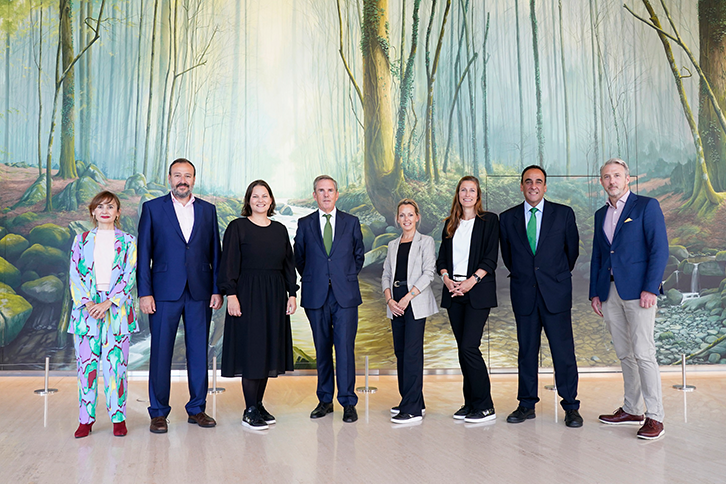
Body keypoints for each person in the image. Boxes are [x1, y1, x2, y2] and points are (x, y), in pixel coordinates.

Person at [137, 158, 222, 433]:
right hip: (163, 293)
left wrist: (217, 289)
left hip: (199, 292)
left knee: (199, 352)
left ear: (194, 180)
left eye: (187, 175)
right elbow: (143, 256)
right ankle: (158, 412)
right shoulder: (152, 209)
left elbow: (215, 253)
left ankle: (197, 408)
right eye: (177, 175)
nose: (182, 180)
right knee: (161, 353)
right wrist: (145, 292)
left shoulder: (208, 210)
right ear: (169, 178)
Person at [590, 158, 669, 440]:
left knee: (644, 353)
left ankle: (655, 416)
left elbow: (659, 249)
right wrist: (595, 293)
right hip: (610, 292)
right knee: (625, 353)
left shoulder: (647, 206)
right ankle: (632, 408)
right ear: (601, 181)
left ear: (628, 178)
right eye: (606, 177)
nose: (611, 181)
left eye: (617, 176)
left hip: (639, 293)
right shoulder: (601, 214)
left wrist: (651, 287)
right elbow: (599, 256)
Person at [499, 165, 583, 428]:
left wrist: (552, 277)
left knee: (563, 352)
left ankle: (570, 406)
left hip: (555, 293)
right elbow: (508, 257)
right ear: (521, 186)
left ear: (545, 186)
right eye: (528, 181)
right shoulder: (507, 217)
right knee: (526, 352)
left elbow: (572, 253)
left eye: (538, 181)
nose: (533, 186)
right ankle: (526, 404)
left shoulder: (563, 214)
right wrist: (530, 277)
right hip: (524, 292)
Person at [218, 180, 298, 431]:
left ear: (271, 201)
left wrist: (292, 294)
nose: (260, 200)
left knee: (266, 350)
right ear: (248, 201)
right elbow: (228, 263)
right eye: (255, 196)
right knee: (252, 351)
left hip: (274, 294)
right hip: (247, 293)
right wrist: (231, 295)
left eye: (265, 196)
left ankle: (259, 404)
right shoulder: (237, 227)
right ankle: (249, 409)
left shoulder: (280, 229)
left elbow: (288, 264)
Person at [294, 175, 365, 423]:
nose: (326, 195)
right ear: (314, 195)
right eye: (321, 191)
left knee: (345, 349)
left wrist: (341, 278)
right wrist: (319, 278)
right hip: (316, 296)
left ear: (337, 194)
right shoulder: (304, 224)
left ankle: (347, 402)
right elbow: (299, 259)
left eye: (330, 190)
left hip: (345, 296)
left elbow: (358, 256)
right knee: (322, 349)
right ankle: (325, 400)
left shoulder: (351, 222)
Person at [68, 190, 138, 438]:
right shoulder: (81, 240)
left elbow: (129, 277)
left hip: (116, 311)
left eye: (110, 206)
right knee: (86, 368)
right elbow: (75, 275)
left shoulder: (129, 241)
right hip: (86, 312)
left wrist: (109, 302)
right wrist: (88, 303)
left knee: (116, 367)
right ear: (93, 212)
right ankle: (85, 419)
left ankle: (118, 417)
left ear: (118, 212)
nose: (105, 210)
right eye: (100, 207)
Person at [436, 176, 499, 423]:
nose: (467, 194)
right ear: (458, 194)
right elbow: (441, 259)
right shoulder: (450, 224)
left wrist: (472, 281)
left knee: (469, 347)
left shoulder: (489, 221)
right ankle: (470, 402)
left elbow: (491, 258)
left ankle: (485, 406)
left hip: (477, 291)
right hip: (453, 292)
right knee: (463, 351)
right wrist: (446, 279)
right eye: (463, 190)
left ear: (478, 194)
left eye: (472, 190)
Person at [381, 199, 438, 424]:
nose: (406, 219)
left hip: (414, 302)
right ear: (397, 219)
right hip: (395, 303)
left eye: (410, 215)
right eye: (402, 215)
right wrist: (389, 299)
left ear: (417, 217)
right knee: (401, 353)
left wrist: (406, 297)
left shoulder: (426, 241)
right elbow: (386, 274)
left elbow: (428, 273)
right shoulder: (393, 245)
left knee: (413, 354)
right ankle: (413, 400)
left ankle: (411, 409)